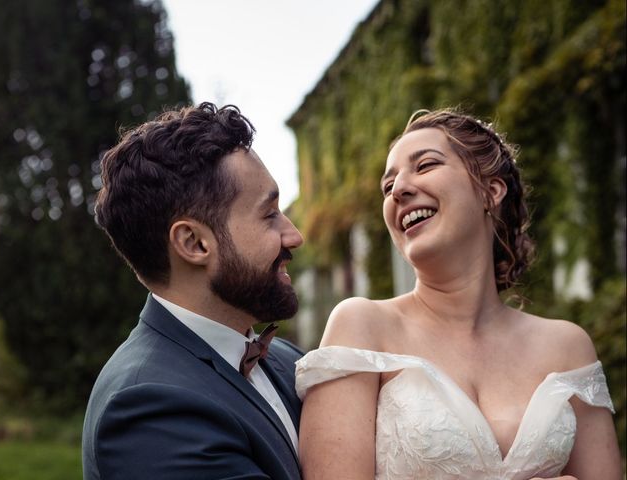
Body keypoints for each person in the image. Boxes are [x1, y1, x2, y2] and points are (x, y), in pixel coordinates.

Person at [295, 109, 621, 480]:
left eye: (425, 165)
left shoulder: (568, 346)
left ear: (490, 190)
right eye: (388, 187)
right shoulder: (362, 326)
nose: (399, 189)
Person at [82, 102, 304, 480]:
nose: (294, 236)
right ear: (194, 243)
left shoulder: (286, 359)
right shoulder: (149, 410)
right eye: (269, 215)